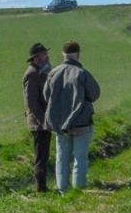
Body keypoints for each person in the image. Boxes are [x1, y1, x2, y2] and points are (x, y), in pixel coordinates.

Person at [43, 40, 101, 191]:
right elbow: (94, 94)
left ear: (63, 54)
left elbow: (46, 96)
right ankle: (78, 189)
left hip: (59, 124)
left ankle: (63, 189)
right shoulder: (82, 73)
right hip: (81, 122)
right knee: (79, 158)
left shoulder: (53, 73)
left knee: (62, 158)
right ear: (78, 55)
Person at [23, 42, 53, 192]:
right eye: (43, 54)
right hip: (38, 123)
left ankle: (42, 186)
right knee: (41, 156)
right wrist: (44, 121)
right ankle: (41, 188)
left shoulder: (39, 72)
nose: (47, 57)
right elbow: (32, 102)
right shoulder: (32, 74)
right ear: (36, 57)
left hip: (42, 122)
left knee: (44, 155)